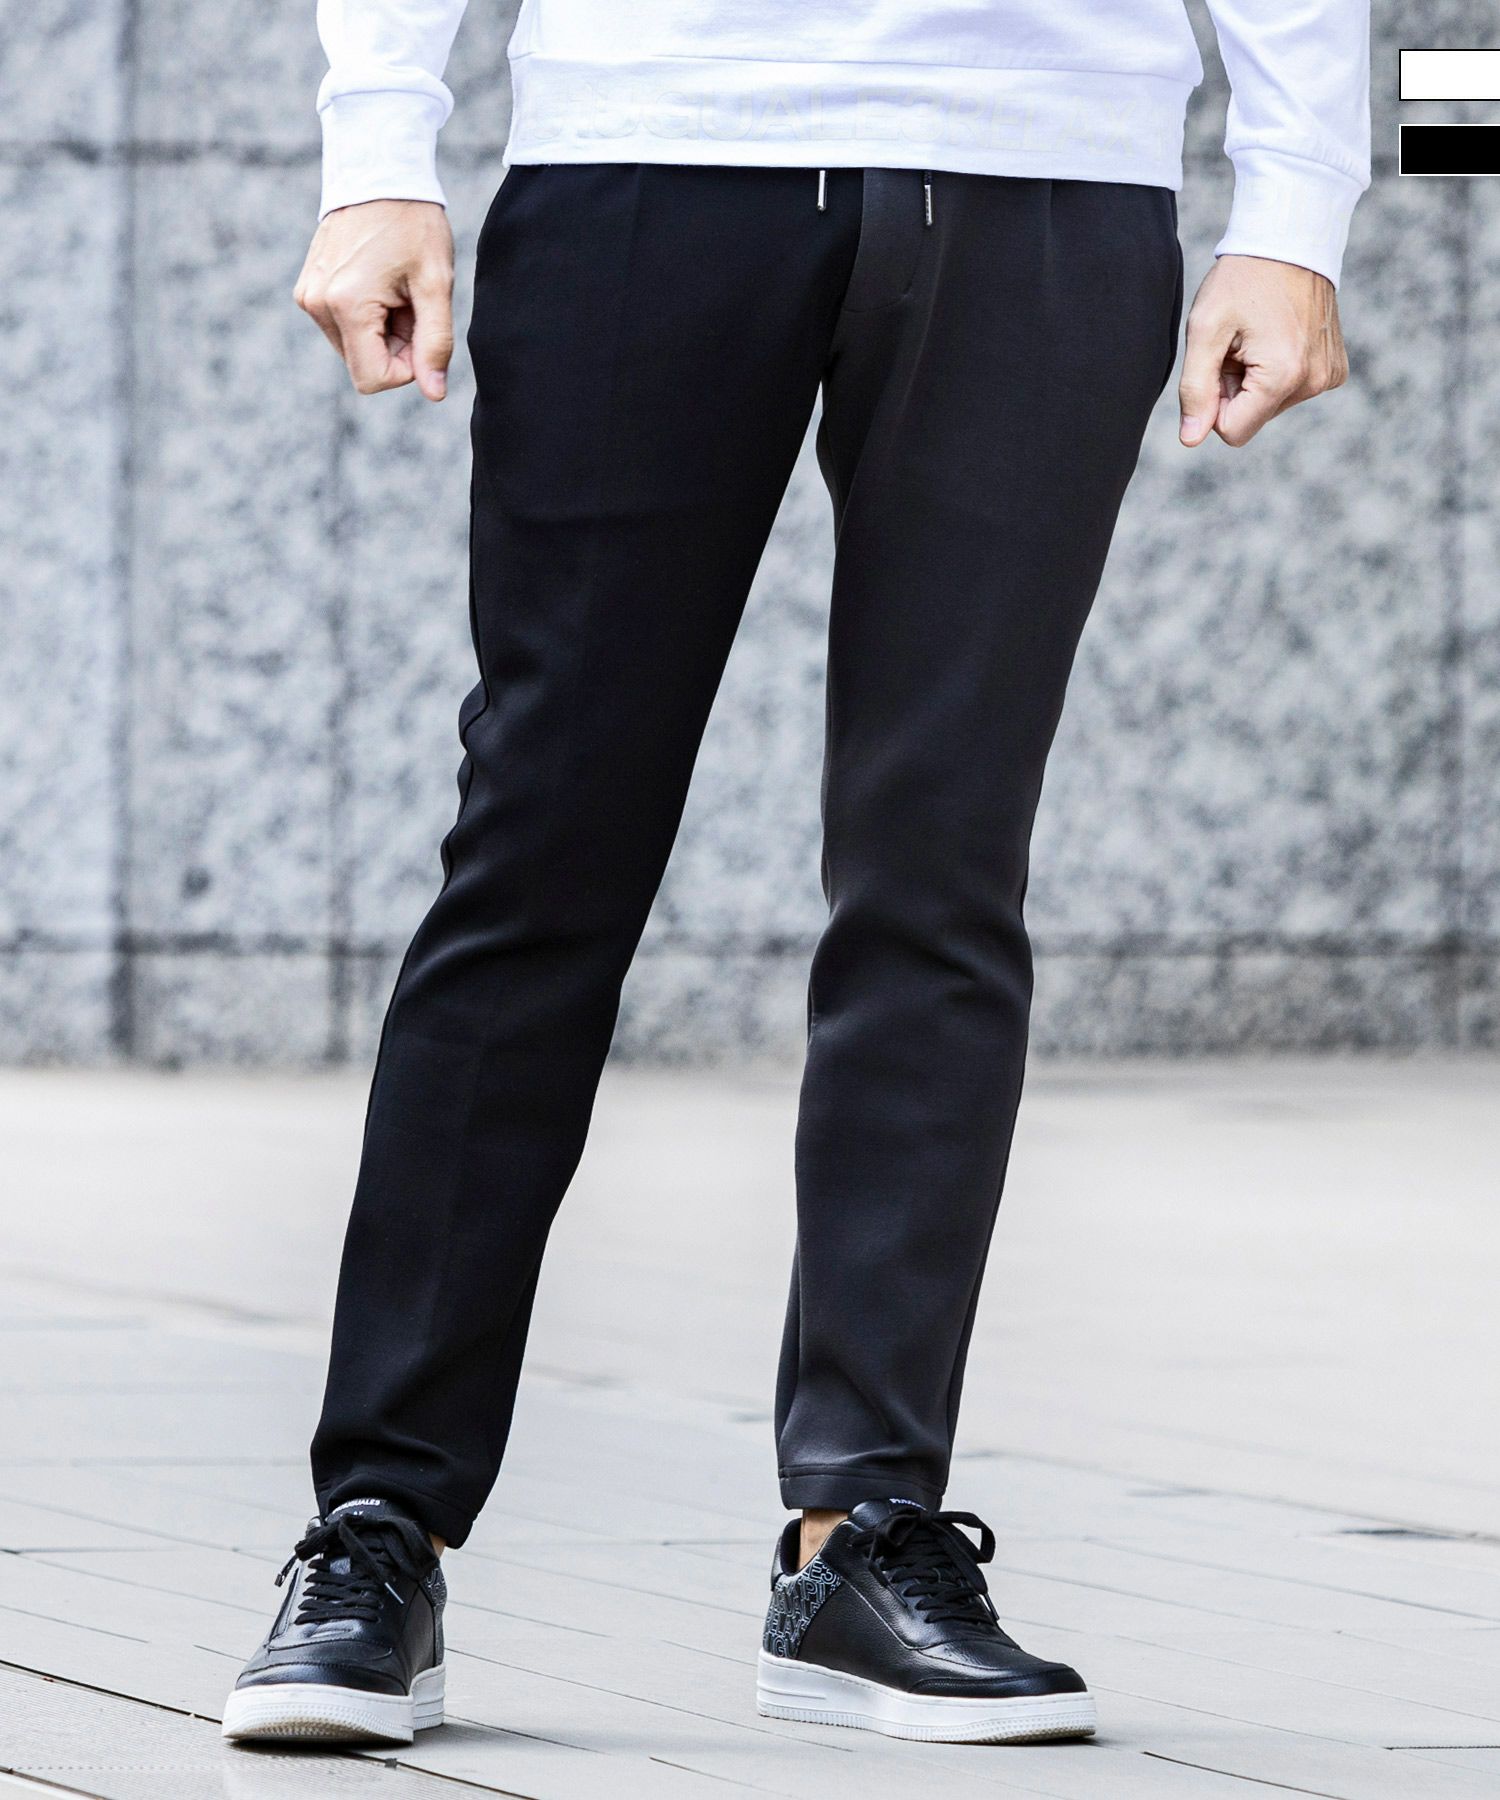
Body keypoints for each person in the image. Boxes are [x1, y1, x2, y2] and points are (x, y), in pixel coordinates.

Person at [222, 0, 1369, 1750]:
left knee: (942, 873)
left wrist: (1296, 205)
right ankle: (380, 1523)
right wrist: (377, 146)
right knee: (540, 852)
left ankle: (865, 1535)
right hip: (654, 137)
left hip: (1047, 160)